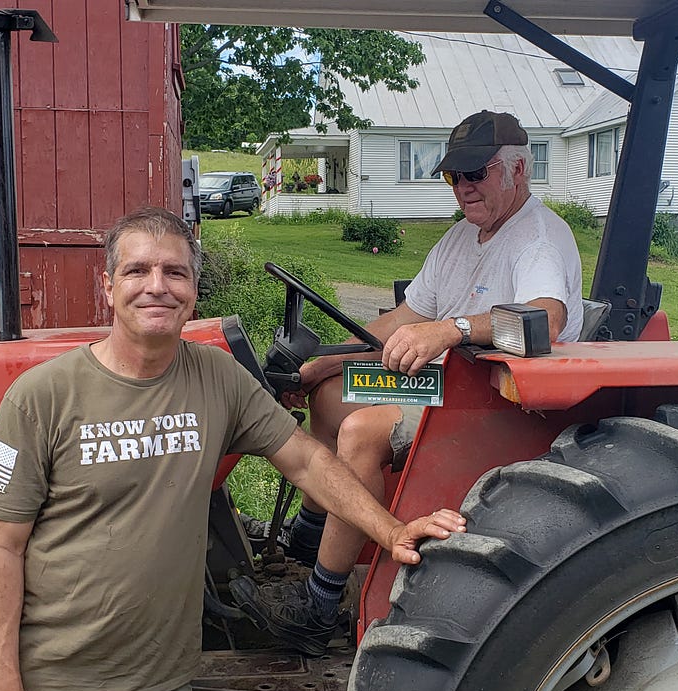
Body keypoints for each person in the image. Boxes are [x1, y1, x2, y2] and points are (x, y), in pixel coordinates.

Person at [0, 206, 466, 691]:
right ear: (108, 286)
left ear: (193, 289)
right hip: (57, 686)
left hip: (163, 683)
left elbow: (307, 461)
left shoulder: (217, 377)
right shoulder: (40, 397)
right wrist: (0, 682)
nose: (157, 287)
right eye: (137, 270)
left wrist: (391, 531)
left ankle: (316, 584)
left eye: (174, 272)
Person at [233, 110, 583, 655]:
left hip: (501, 404)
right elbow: (404, 319)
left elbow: (547, 320)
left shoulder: (537, 238)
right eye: (454, 176)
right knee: (329, 396)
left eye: (477, 174)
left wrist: (452, 329)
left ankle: (318, 608)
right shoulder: (462, 238)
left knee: (362, 431)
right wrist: (327, 361)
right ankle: (309, 538)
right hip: (451, 387)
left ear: (519, 170)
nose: (463, 187)